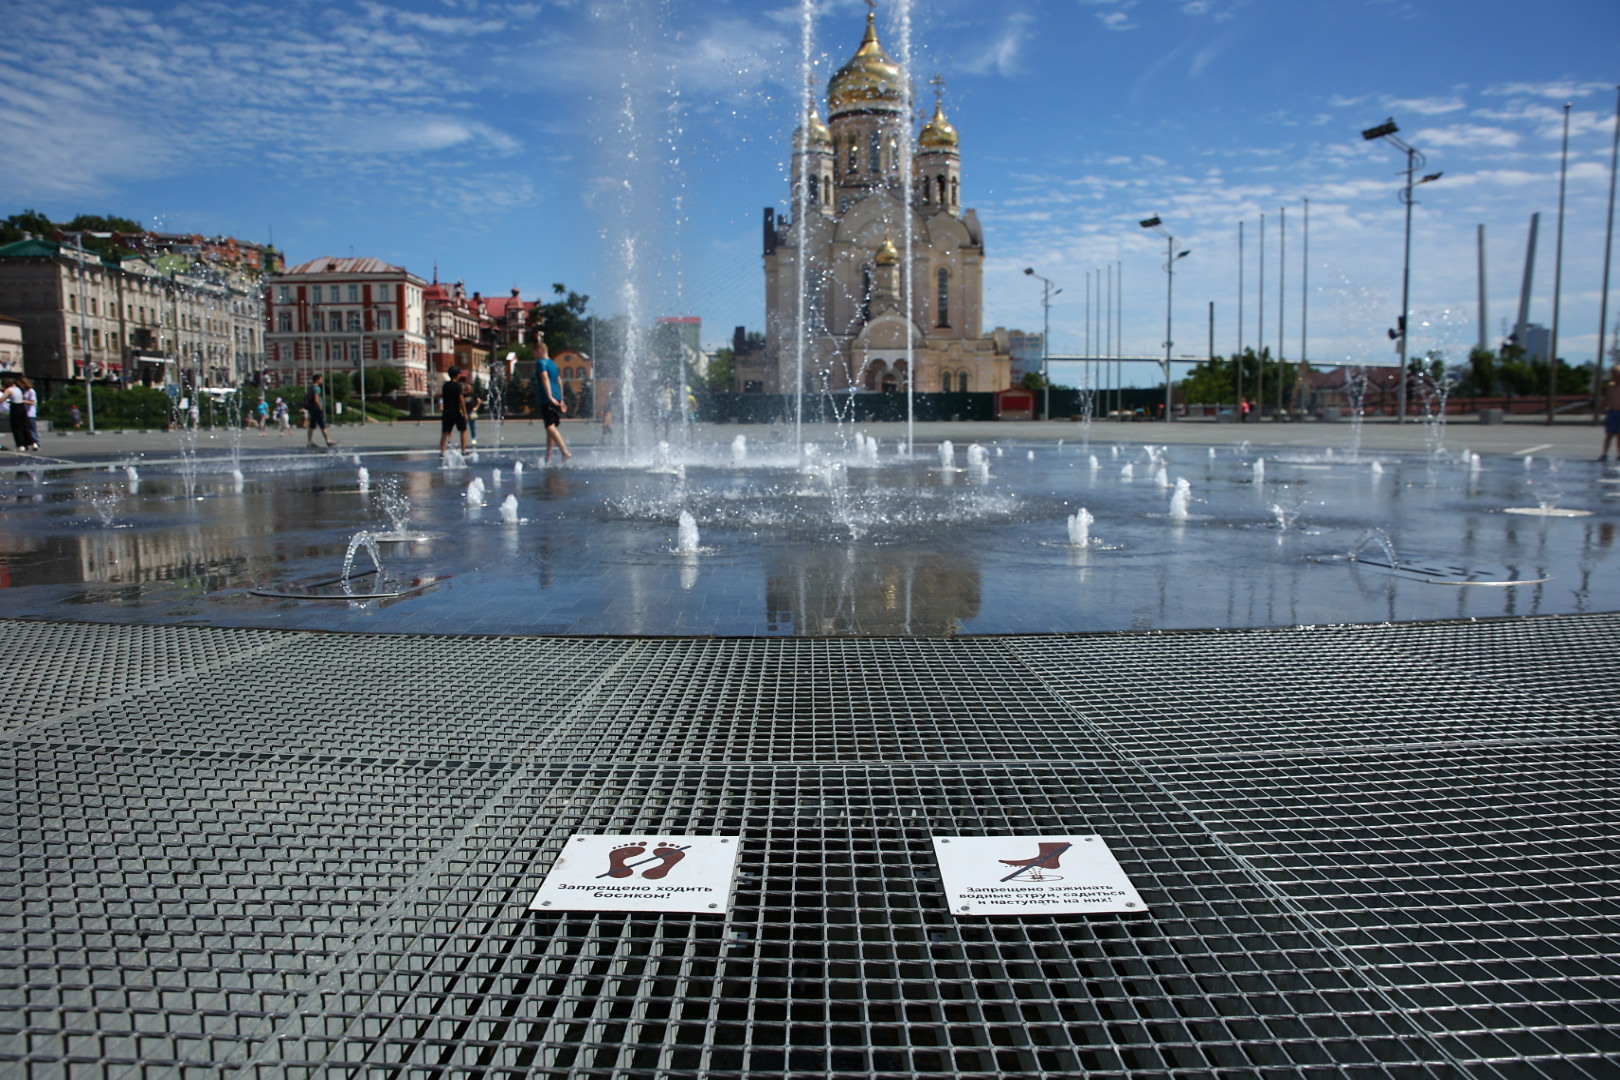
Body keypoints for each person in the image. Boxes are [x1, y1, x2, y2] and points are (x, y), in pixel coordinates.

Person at [535, 343, 570, 463]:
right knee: (551, 428)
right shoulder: (553, 364)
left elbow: (545, 378)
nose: (533, 355)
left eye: (534, 352)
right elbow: (559, 381)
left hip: (547, 398)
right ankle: (548, 458)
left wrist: (549, 396)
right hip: (557, 398)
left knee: (549, 427)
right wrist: (561, 399)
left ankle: (565, 452)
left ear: (539, 350)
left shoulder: (541, 363)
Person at [439, 365, 470, 457]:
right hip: (456, 411)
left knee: (445, 431)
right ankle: (463, 451)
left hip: (446, 411)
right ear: (456, 375)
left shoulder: (445, 386)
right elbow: (461, 399)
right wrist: (465, 413)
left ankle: (442, 452)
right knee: (463, 430)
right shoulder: (458, 386)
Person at [305, 373, 336, 448]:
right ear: (317, 379)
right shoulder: (317, 388)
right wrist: (320, 407)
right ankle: (328, 440)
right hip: (317, 409)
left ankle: (309, 441)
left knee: (312, 426)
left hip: (312, 409)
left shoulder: (310, 387)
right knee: (322, 425)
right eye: (321, 379)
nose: (321, 381)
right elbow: (316, 399)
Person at [1601, 365, 1620, 462]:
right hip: (1612, 412)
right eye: (1613, 372)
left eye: (1615, 372)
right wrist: (1600, 409)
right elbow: (1607, 399)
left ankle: (1619, 455)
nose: (1614, 375)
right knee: (1609, 434)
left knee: (1619, 435)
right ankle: (1604, 454)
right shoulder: (1611, 386)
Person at [3, 376, 28, 451]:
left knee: (16, 427)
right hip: (22, 407)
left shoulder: (9, 390)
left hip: (15, 408)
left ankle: (20, 445)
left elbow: (2, 399)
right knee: (24, 426)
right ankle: (28, 443)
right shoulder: (17, 389)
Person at [18, 376, 40, 450]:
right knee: (26, 429)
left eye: (21, 384)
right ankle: (27, 443)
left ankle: (36, 442)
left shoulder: (31, 391)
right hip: (24, 412)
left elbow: (32, 402)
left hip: (30, 413)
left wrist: (22, 401)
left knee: (32, 429)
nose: (20, 386)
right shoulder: (24, 391)